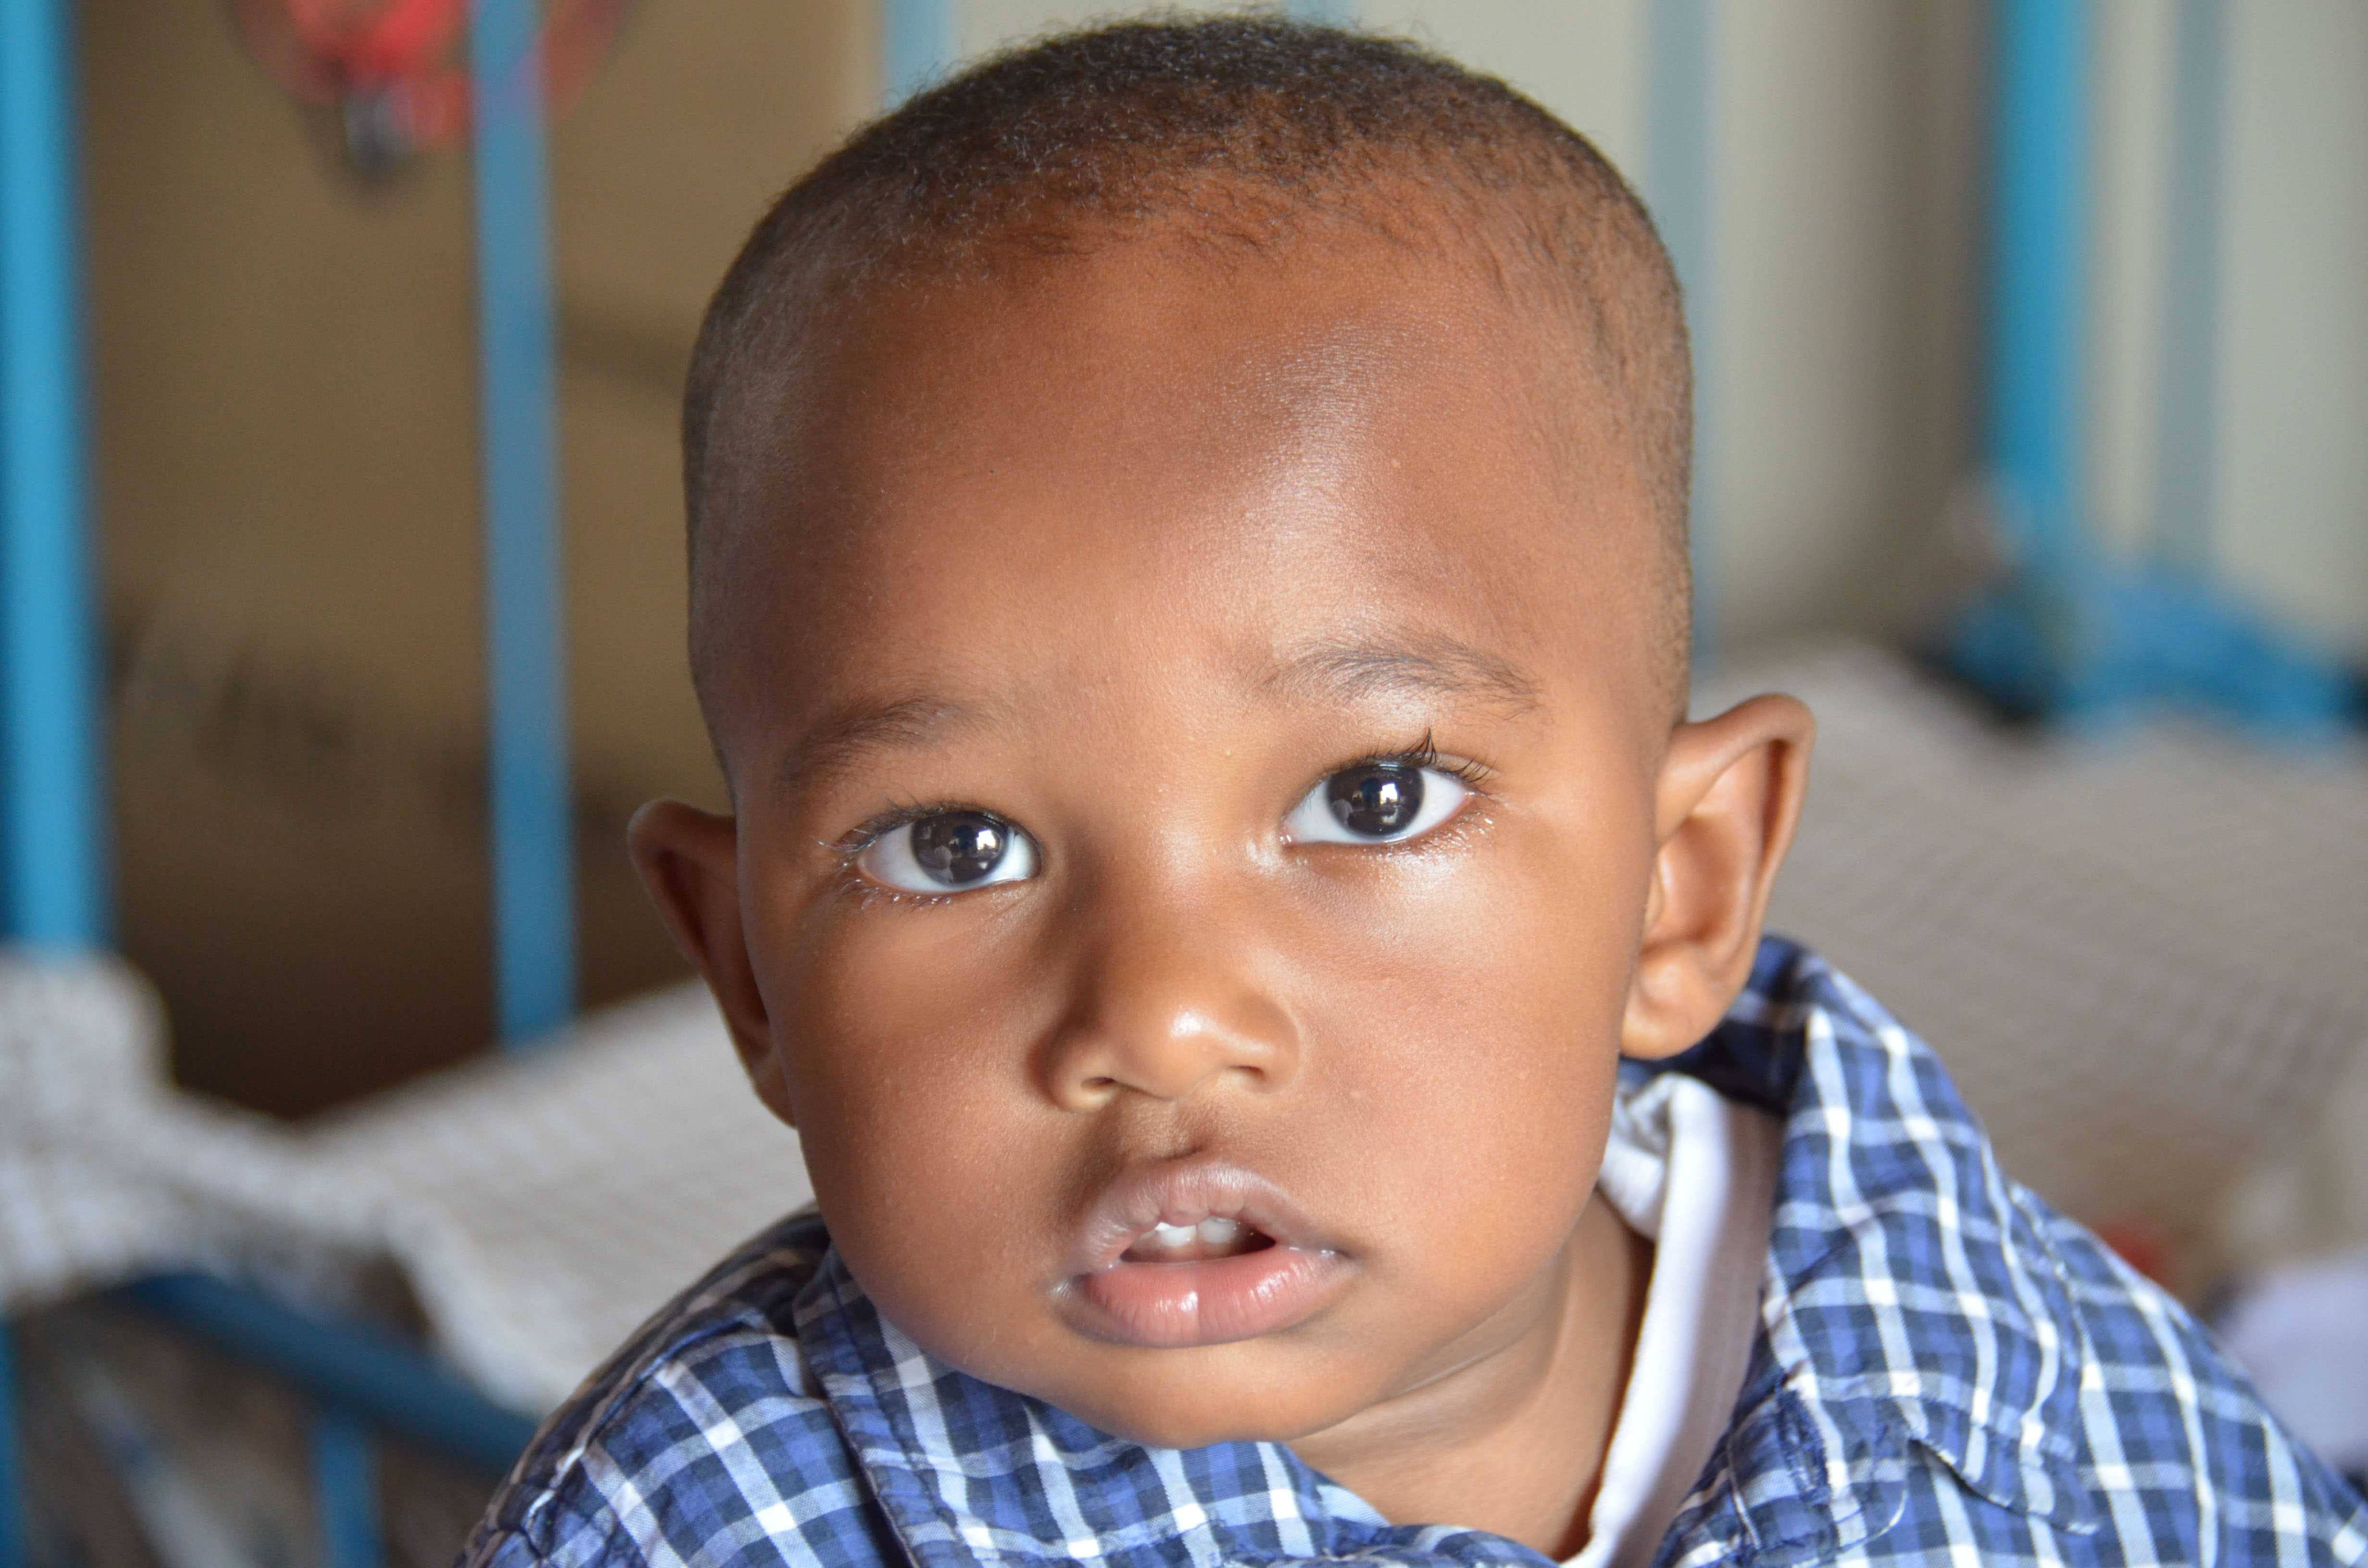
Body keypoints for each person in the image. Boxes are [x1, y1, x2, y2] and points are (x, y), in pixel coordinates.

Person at [461, 19, 2368, 1567]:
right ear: (749, 975)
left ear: (1678, 891)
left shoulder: (2009, 1404)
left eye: (1368, 800)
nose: (1161, 1015)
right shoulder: (705, 1522)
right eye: (955, 846)